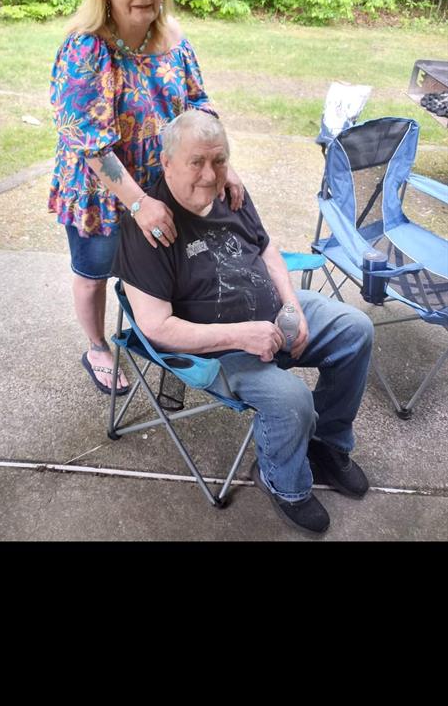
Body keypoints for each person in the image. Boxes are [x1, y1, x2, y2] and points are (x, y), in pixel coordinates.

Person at [112, 110, 373, 537]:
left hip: (271, 312)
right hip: (219, 349)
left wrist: (292, 304)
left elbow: (266, 249)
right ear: (167, 163)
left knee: (355, 329)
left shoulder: (230, 192)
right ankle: (283, 483)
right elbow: (157, 327)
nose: (209, 174)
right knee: (292, 399)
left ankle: (327, 443)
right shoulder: (149, 227)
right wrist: (242, 335)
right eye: (196, 162)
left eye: (219, 161)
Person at [49, 0, 244, 397]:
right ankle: (97, 347)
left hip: (163, 187)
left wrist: (224, 167)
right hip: (103, 191)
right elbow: (91, 145)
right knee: (94, 275)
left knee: (161, 274)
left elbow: (199, 106)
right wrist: (138, 204)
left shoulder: (173, 38)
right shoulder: (86, 47)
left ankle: (164, 340)